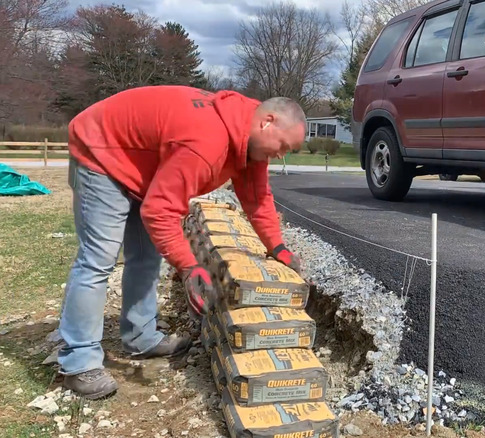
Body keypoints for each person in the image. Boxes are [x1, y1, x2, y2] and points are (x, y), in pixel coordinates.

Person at [58, 85, 307, 399]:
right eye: (283, 146)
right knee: (98, 259)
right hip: (101, 151)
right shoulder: (207, 142)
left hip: (142, 164)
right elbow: (160, 210)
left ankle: (140, 338)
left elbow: (257, 199)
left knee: (146, 257)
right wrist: (190, 267)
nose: (281, 155)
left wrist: (279, 248)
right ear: (267, 121)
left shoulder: (249, 142)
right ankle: (79, 362)